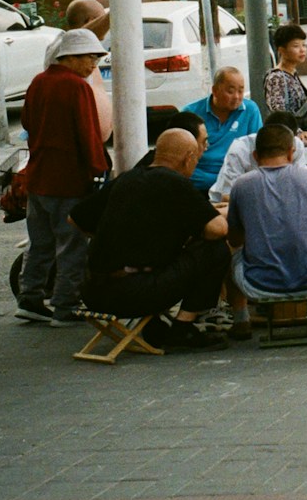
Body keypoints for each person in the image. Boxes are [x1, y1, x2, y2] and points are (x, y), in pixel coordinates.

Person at [74, 128, 229, 352]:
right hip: (133, 295)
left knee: (156, 254)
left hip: (92, 291)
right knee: (215, 251)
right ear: (189, 158)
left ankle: (155, 324)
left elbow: (75, 218)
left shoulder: (127, 178)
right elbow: (218, 229)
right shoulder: (176, 184)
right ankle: (182, 328)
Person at [225, 122, 307, 337]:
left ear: (254, 155)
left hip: (256, 283)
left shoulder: (241, 185)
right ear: (291, 152)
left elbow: (234, 239)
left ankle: (241, 319)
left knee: (226, 247)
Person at [16, 28, 111, 324]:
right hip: (69, 181)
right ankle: (65, 305)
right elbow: (88, 135)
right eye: (90, 58)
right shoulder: (76, 88)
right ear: (71, 57)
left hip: (38, 178)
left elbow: (26, 122)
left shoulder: (38, 82)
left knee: (40, 244)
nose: (93, 65)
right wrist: (100, 171)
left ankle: (29, 298)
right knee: (71, 246)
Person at [41, 0, 115, 143]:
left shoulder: (84, 53)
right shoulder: (62, 47)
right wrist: (116, 12)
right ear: (90, 20)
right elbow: (85, 34)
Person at [182, 67, 261, 195]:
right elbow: (180, 159)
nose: (236, 97)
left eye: (241, 91)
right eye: (230, 91)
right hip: (199, 182)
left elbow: (257, 150)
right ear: (215, 90)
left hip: (236, 181)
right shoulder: (191, 112)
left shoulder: (250, 110)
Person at [208, 111, 307, 204]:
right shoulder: (240, 149)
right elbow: (227, 197)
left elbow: (302, 186)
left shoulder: (296, 146)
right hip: (237, 203)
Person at [264, 24, 307, 122]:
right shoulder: (276, 78)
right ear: (282, 50)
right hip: (291, 134)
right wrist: (299, 133)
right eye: (296, 46)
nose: (302, 50)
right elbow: (279, 114)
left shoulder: (292, 73)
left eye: (303, 45)